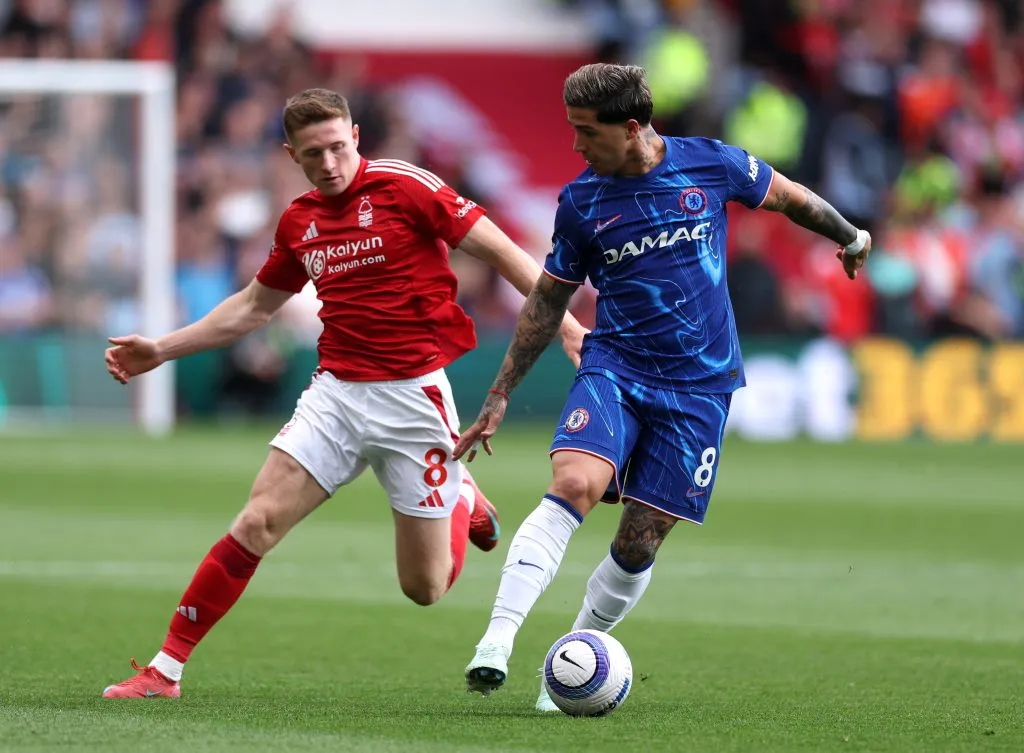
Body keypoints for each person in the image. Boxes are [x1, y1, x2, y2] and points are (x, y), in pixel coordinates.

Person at [100, 88, 588, 699]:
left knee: (425, 587)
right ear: (291, 155)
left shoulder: (406, 186)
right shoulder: (299, 220)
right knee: (257, 521)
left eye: (337, 148)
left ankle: (462, 499)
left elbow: (504, 252)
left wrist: (567, 326)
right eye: (312, 155)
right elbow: (254, 307)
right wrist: (161, 350)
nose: (329, 164)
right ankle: (163, 670)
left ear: (355, 135)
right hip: (335, 396)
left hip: (413, 400)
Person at [455, 63, 871, 710]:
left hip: (701, 386)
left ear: (630, 128)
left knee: (639, 537)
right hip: (616, 367)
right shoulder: (582, 201)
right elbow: (545, 302)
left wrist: (849, 236)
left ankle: (570, 660)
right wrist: (502, 389)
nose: (575, 145)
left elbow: (792, 198)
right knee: (574, 484)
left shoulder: (711, 164)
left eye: (585, 131)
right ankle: (496, 642)